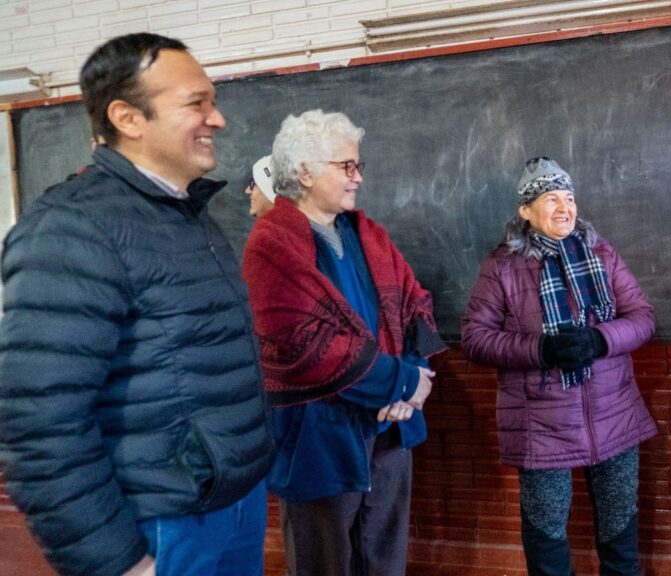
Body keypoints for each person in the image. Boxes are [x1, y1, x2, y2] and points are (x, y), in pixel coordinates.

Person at [0, 33, 274, 576]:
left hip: (232, 505)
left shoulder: (191, 218)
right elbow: (39, 420)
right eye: (196, 103)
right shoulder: (72, 229)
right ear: (128, 117)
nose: (216, 119)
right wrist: (115, 562)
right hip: (159, 522)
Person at [241, 109, 446, 576]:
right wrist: (400, 383)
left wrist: (407, 380)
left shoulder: (367, 234)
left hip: (390, 429)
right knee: (324, 563)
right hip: (319, 438)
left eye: (358, 166)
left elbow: (415, 306)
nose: (357, 178)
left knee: (384, 559)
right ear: (305, 172)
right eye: (345, 166)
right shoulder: (271, 245)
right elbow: (305, 348)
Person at [461, 157, 657, 576]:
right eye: (550, 199)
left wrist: (599, 339)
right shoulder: (502, 266)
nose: (564, 207)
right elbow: (475, 338)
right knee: (547, 538)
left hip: (614, 415)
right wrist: (541, 350)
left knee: (621, 535)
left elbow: (642, 317)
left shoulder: (601, 253)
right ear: (525, 211)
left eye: (568, 198)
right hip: (541, 426)